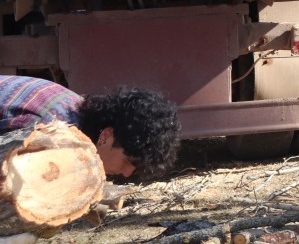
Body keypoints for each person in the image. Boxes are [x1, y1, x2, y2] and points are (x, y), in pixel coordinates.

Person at [0, 76, 179, 179]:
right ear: (106, 135)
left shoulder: (76, 107)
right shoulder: (47, 135)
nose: (126, 173)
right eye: (127, 162)